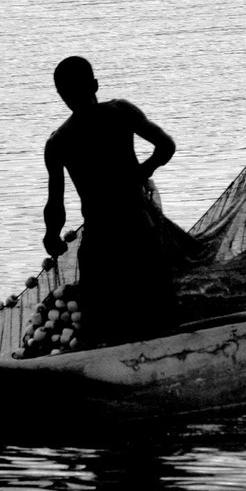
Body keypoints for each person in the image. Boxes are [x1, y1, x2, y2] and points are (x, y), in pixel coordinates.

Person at [42, 56, 179, 344]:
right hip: (139, 229)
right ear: (94, 84)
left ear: (61, 95)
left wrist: (51, 235)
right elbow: (166, 145)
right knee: (158, 312)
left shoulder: (58, 142)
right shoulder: (121, 112)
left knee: (101, 324)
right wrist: (143, 171)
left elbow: (56, 203)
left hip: (101, 240)